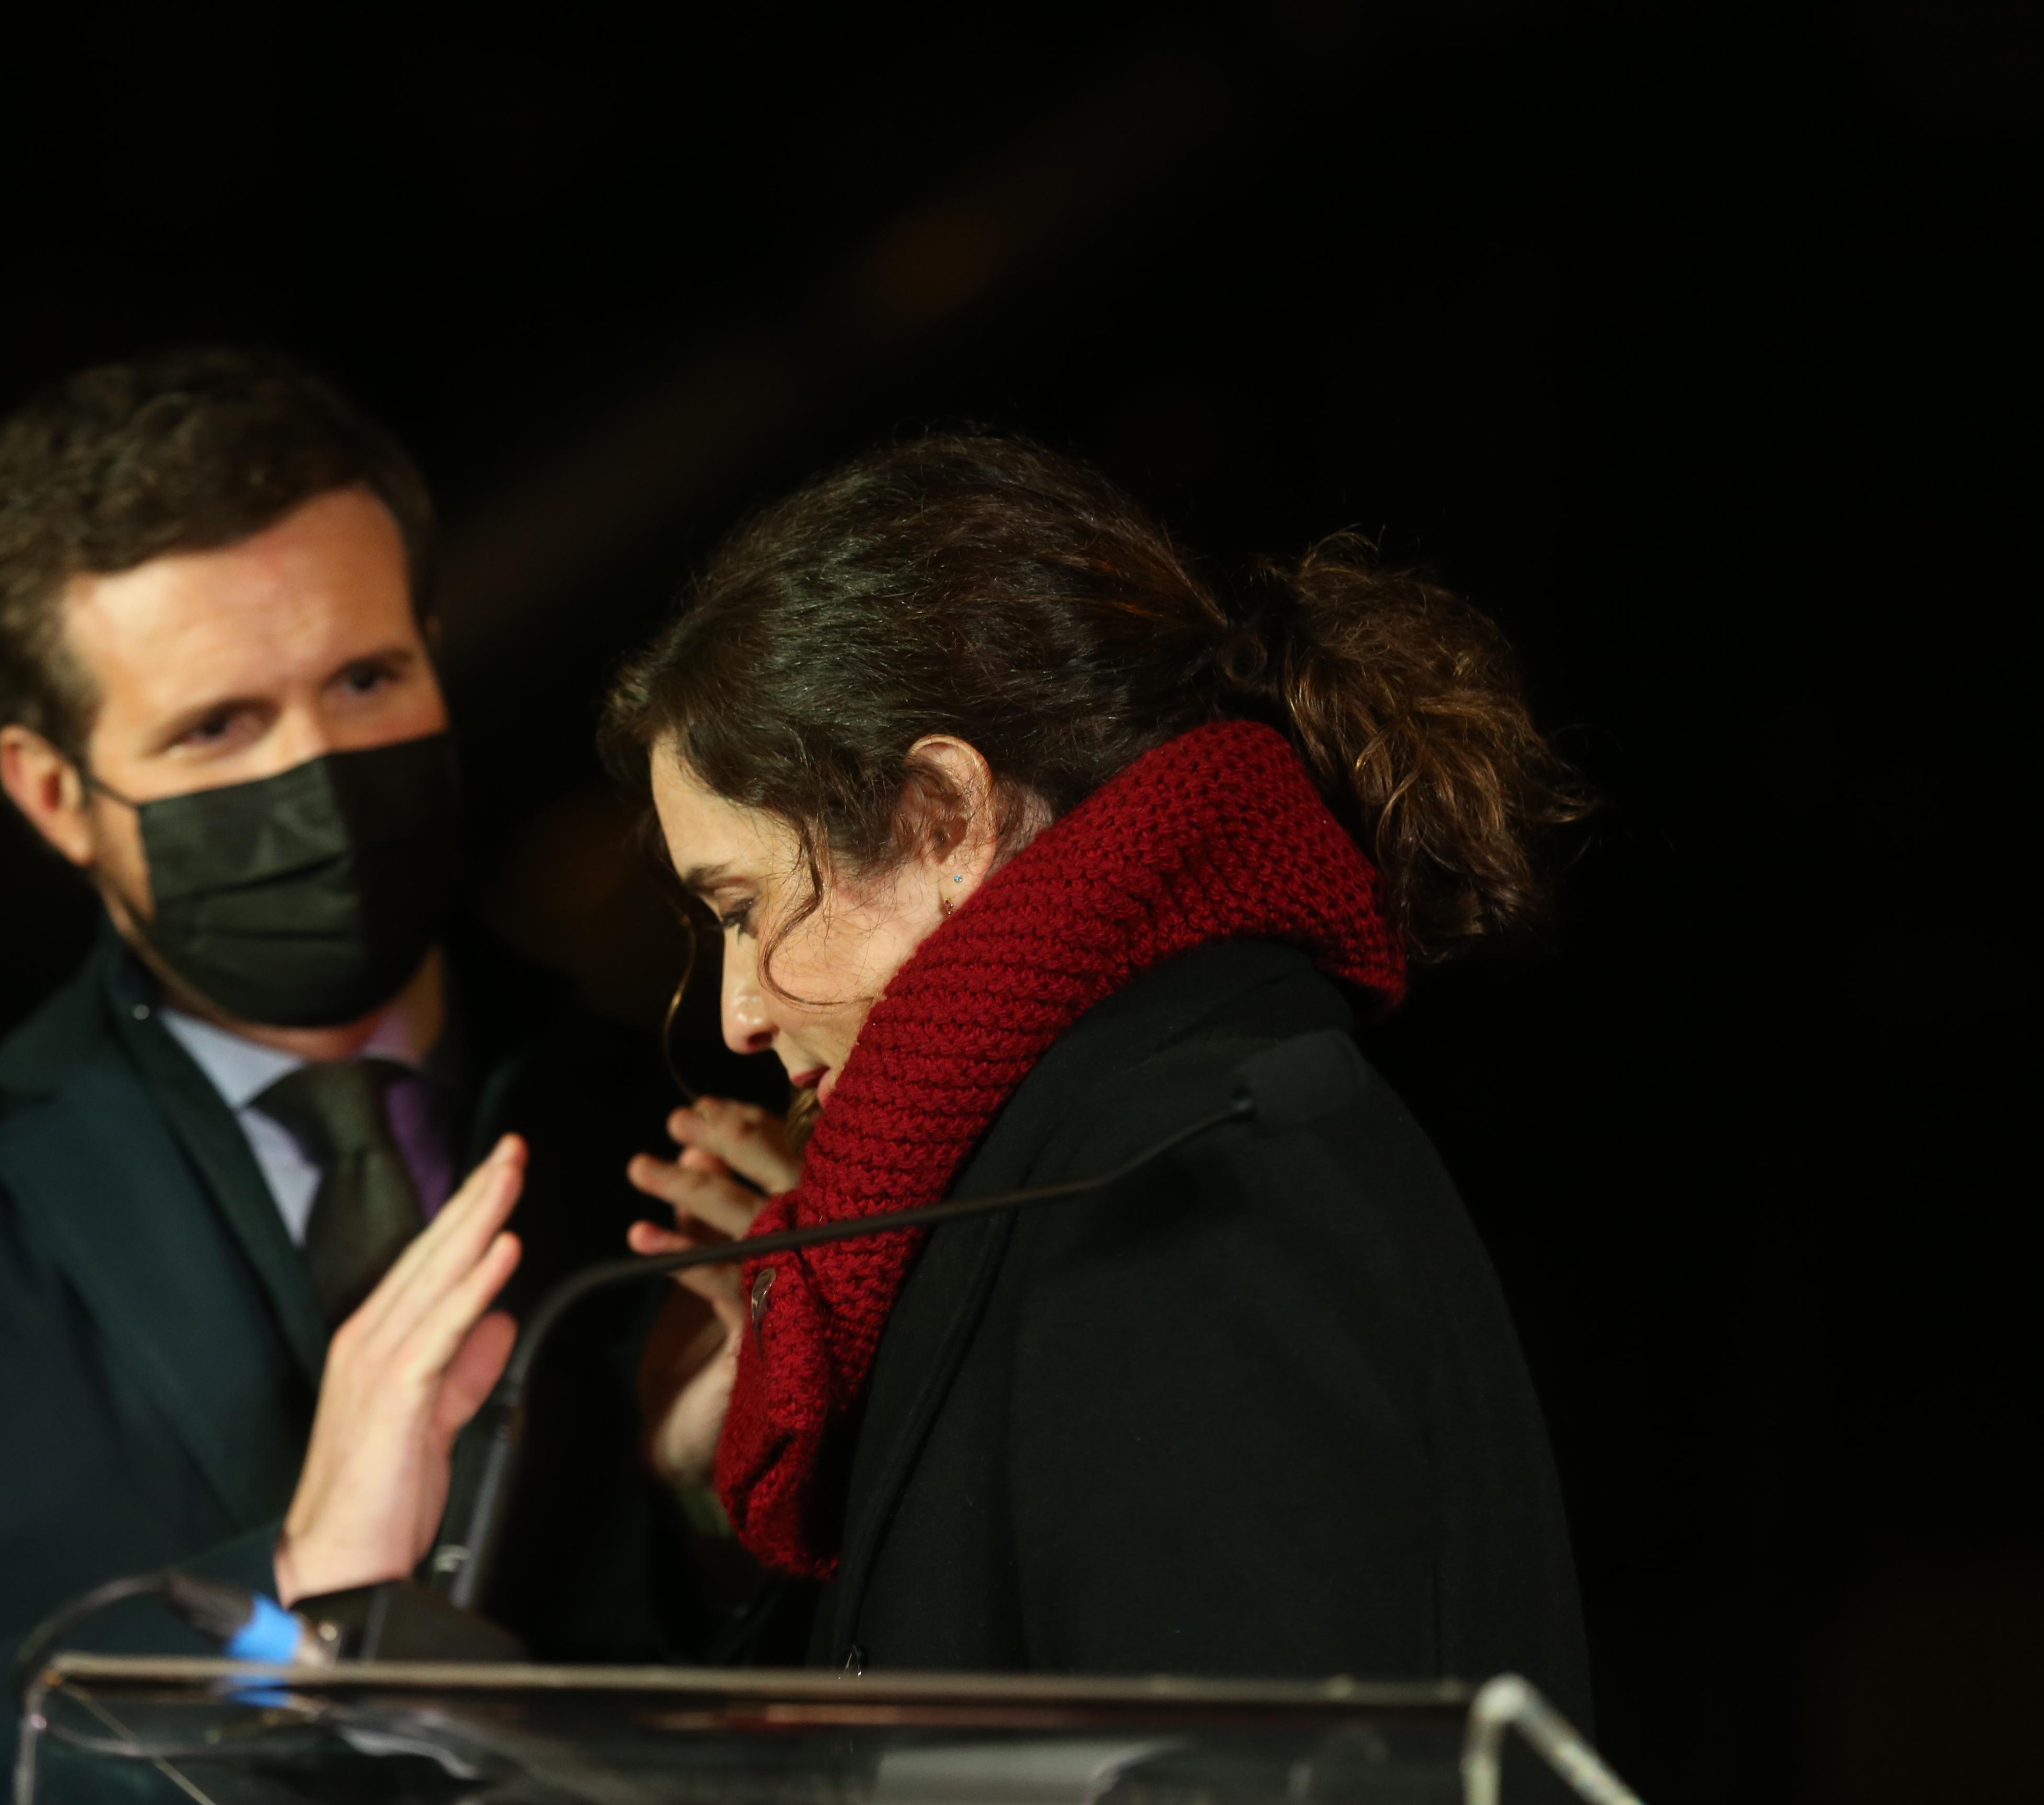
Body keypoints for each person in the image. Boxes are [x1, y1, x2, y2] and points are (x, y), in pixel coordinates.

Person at [0, 348, 685, 1805]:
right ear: (53, 792)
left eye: (365, 679)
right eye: (219, 726)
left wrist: (742, 1502)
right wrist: (290, 1600)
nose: (320, 772)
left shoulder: (666, 1104)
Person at [604, 432, 1596, 1711]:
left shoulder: (1188, 1178)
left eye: (743, 908)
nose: (739, 1013)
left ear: (941, 820)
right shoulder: (1062, 1163)